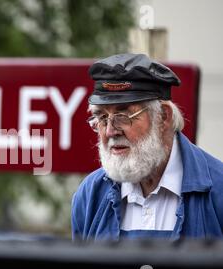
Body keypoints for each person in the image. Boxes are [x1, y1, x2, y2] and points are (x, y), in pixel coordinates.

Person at [71, 53, 223, 240]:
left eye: (123, 116)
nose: (110, 131)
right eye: (102, 118)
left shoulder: (218, 191)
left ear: (163, 117)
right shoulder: (90, 194)